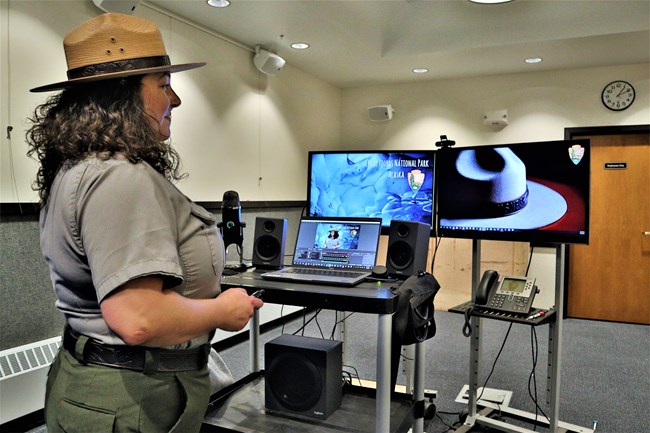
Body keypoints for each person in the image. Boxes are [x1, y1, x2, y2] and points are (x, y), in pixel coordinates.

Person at [26, 13, 263, 433]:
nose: (175, 99)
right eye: (163, 83)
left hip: (98, 388)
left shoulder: (79, 168)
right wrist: (223, 311)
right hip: (131, 398)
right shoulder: (119, 177)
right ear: (125, 95)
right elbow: (137, 318)